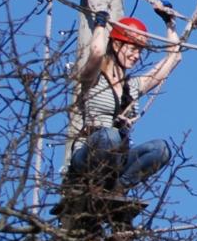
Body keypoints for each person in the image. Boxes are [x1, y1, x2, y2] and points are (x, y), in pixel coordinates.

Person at [66, 12, 182, 194]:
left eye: (140, 51)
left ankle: (116, 189)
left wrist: (169, 24)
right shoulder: (93, 78)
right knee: (109, 136)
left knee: (161, 149)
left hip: (116, 162)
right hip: (87, 157)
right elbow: (96, 53)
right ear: (117, 44)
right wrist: (100, 25)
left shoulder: (133, 86)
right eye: (133, 49)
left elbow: (174, 58)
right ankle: (92, 186)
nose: (137, 56)